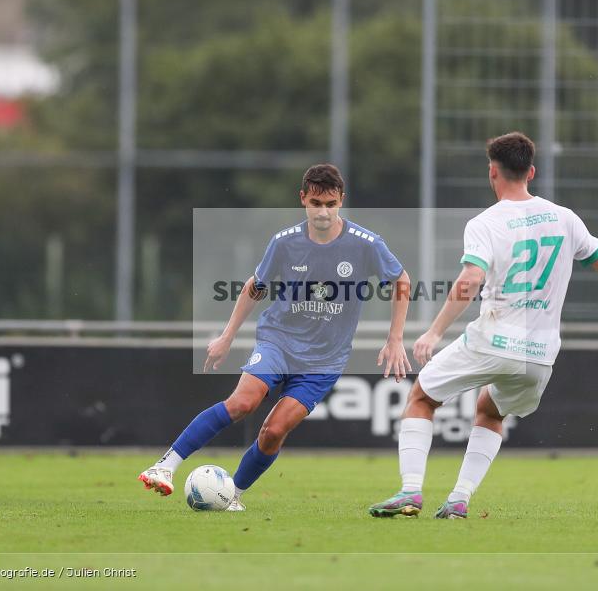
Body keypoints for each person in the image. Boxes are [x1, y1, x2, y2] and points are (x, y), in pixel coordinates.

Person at [369, 132, 598, 519]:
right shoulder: (565, 218)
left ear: (492, 172)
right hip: (541, 354)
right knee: (491, 411)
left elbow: (469, 281)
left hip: (493, 338)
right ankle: (459, 498)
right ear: (530, 171)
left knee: (422, 398)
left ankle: (411, 491)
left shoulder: (486, 222)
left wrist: (433, 332)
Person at [140, 164, 412, 510]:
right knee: (242, 402)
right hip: (278, 341)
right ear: (303, 200)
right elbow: (255, 288)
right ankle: (165, 466)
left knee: (273, 432)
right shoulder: (284, 243)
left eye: (330, 203)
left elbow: (401, 281)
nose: (323, 212)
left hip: (325, 360)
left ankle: (232, 494)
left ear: (341, 200)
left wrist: (395, 338)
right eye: (316, 203)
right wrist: (226, 337)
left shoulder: (366, 244)